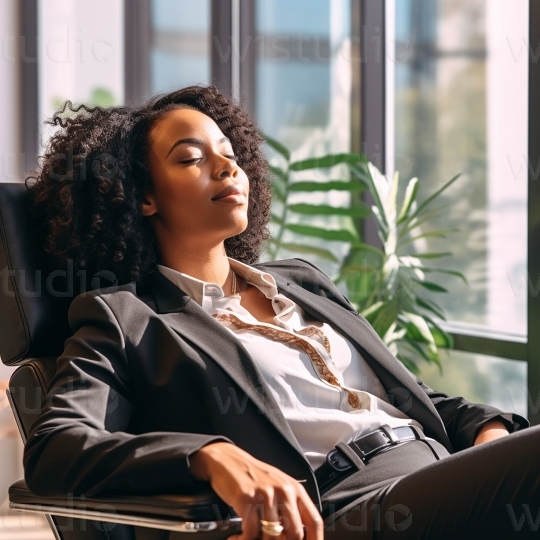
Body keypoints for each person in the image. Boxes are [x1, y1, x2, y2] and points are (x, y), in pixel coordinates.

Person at [23, 85, 538, 539]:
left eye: (229, 153)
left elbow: (411, 399)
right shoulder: (127, 319)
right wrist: (209, 455)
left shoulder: (300, 283)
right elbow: (57, 447)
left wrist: (486, 436)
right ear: (144, 199)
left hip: (438, 473)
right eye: (190, 159)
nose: (227, 168)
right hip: (343, 510)